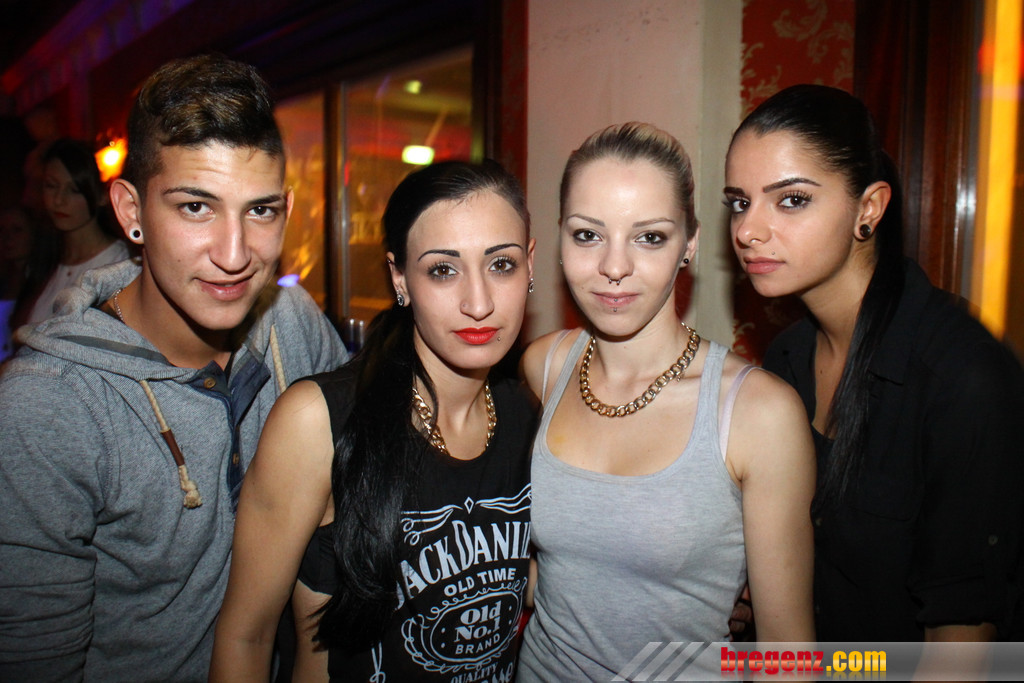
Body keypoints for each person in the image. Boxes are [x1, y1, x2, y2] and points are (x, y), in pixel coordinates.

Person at [0, 54, 347, 681]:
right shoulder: (49, 405)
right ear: (131, 211)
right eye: (195, 207)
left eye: (260, 210)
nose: (235, 254)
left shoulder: (292, 322)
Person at [210, 160, 537, 682]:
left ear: (530, 265)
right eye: (443, 270)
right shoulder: (318, 421)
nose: (479, 303)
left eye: (501, 264)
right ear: (399, 278)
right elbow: (245, 637)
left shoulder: (529, 415)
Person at [724, 84, 1024, 642]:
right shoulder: (788, 356)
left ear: (869, 208)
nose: (747, 230)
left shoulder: (964, 377)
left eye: (791, 200)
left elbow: (963, 654)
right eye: (740, 202)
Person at [516, 122, 815, 681]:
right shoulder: (543, 366)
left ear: (690, 244)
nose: (614, 267)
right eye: (587, 235)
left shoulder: (757, 413)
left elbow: (789, 655)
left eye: (649, 237)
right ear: (558, 238)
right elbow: (552, 571)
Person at [21, 138, 130, 324]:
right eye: (51, 186)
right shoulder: (45, 260)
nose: (59, 200)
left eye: (74, 190)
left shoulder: (118, 265)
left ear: (101, 195)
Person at [0, 205, 37, 361]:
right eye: (2, 230)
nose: (7, 237)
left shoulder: (43, 282)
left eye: (17, 230)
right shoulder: (5, 279)